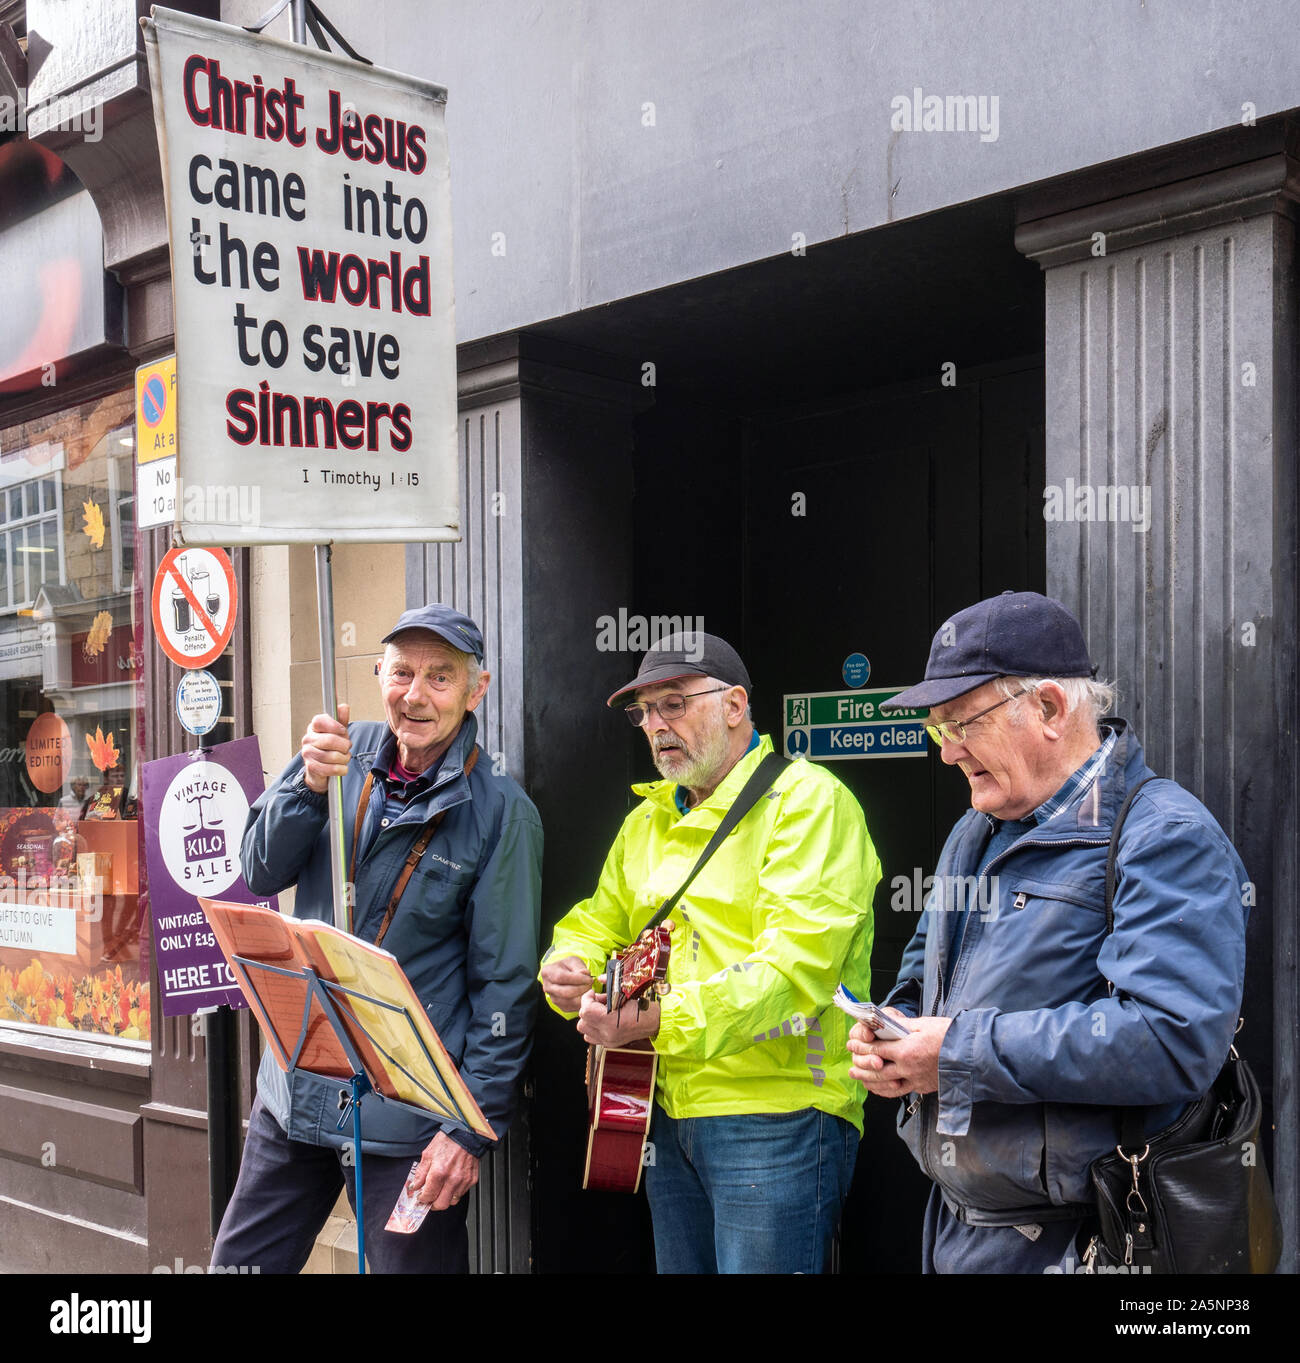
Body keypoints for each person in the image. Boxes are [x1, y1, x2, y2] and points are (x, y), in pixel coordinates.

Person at [848, 590, 1250, 1273]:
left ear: (1050, 709)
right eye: (936, 730)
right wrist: (896, 1026)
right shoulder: (972, 830)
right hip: (955, 1228)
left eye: (961, 723)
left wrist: (953, 1052)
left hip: (1086, 1243)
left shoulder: (1164, 835)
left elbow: (1172, 1039)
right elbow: (926, 968)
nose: (946, 753)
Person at [212, 605, 543, 1274]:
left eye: (440, 677)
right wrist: (305, 785)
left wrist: (465, 1133)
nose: (415, 694)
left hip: (409, 1124)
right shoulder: (337, 752)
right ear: (378, 674)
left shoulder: (501, 812)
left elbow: (504, 989)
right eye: (401, 672)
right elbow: (258, 868)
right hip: (297, 1093)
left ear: (476, 689)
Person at [540, 632, 879, 1273]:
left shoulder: (809, 802)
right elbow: (597, 919)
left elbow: (794, 973)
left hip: (777, 1111)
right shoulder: (648, 819)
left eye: (674, 704)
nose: (656, 726)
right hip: (662, 1108)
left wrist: (661, 1020)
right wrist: (568, 964)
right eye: (645, 713)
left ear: (733, 705)